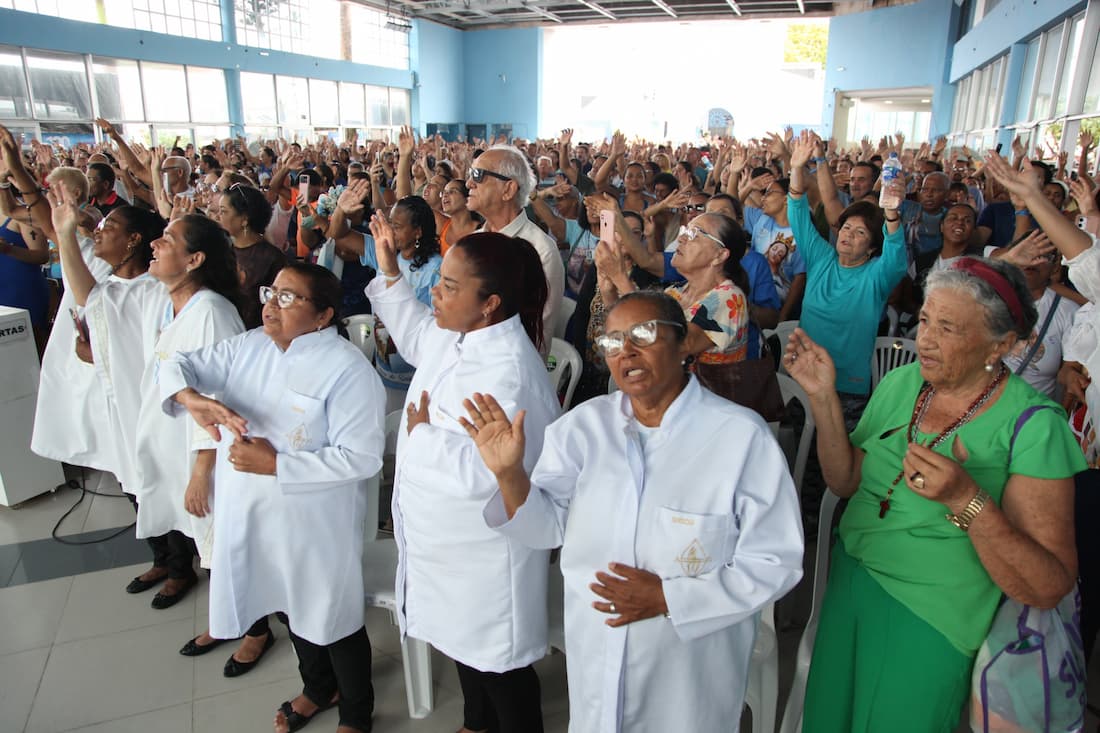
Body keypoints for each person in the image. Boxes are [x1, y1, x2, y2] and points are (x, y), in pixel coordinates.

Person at [460, 289, 804, 731]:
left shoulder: (740, 438)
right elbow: (546, 528)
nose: (627, 351)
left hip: (687, 672)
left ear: (683, 344)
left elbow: (776, 561)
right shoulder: (584, 429)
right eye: (613, 340)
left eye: (643, 333)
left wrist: (668, 598)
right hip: (597, 650)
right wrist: (510, 475)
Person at [785, 254, 1084, 732]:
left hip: (934, 611)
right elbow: (846, 481)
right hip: (853, 584)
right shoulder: (903, 382)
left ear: (1000, 344)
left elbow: (1049, 585)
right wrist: (824, 399)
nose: (924, 339)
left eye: (948, 328)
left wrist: (966, 502)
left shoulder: (1034, 427)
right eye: (925, 319)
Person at [160, 263, 385, 733]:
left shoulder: (347, 369)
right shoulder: (250, 345)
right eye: (271, 292)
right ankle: (319, 689)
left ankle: (357, 715)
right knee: (285, 603)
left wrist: (278, 464)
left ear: (323, 315)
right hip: (253, 510)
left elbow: (361, 458)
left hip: (314, 520)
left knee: (330, 614)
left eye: (288, 297)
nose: (270, 304)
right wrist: (190, 397)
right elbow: (178, 362)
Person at [366, 222, 561, 733]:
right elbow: (414, 333)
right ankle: (476, 723)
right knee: (461, 644)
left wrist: (423, 436)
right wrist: (390, 271)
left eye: (450, 286)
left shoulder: (505, 373)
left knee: (498, 663)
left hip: (483, 553)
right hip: (446, 543)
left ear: (490, 302)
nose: (436, 291)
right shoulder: (459, 337)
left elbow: (490, 473)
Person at [788, 131, 908, 426]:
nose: (847, 235)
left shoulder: (876, 275)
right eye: (845, 228)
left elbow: (896, 256)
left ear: (871, 246)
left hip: (847, 387)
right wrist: (796, 168)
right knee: (795, 453)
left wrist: (891, 214)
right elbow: (798, 217)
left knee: (830, 464)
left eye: (860, 232)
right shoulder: (822, 259)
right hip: (804, 373)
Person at [332, 187, 443, 411]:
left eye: (397, 226)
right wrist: (340, 211)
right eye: (389, 223)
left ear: (417, 232)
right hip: (383, 365)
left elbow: (439, 326)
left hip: (415, 372)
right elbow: (340, 235)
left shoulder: (437, 269)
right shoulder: (383, 250)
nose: (390, 231)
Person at [466, 144, 564, 351]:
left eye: (478, 175)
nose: (469, 183)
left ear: (508, 189)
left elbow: (535, 331)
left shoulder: (541, 250)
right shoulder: (471, 242)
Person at [217, 183, 285, 329]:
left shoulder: (271, 258)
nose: (218, 217)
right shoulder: (222, 251)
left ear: (244, 219)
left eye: (224, 212)